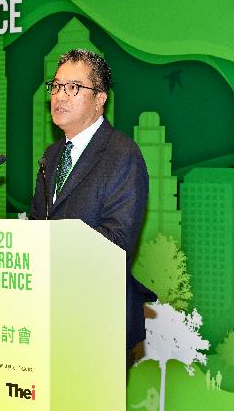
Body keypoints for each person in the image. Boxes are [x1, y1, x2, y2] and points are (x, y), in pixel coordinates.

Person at [30, 48, 154, 359]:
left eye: (73, 87)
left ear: (100, 99)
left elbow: (116, 241)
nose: (60, 96)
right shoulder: (51, 155)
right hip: (50, 313)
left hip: (98, 319)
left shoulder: (122, 154)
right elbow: (37, 225)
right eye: (56, 86)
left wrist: (52, 248)